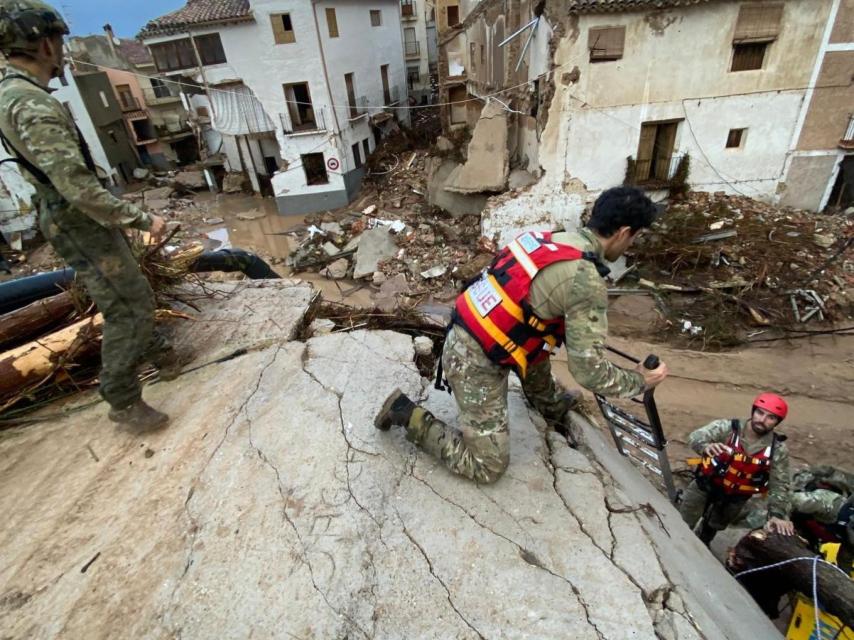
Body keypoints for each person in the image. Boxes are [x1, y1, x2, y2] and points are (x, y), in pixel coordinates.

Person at [375, 186, 668, 483]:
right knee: (487, 466)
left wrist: (551, 401)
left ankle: (547, 402)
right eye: (634, 237)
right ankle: (405, 413)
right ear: (624, 232)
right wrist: (639, 380)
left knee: (540, 331)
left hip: (472, 334)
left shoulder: (551, 240)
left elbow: (534, 325)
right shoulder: (585, 278)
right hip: (474, 361)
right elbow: (588, 371)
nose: (631, 245)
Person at [0, 0, 175, 431]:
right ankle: (122, 398)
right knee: (127, 306)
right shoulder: (31, 104)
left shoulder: (17, 93)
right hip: (77, 217)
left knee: (129, 290)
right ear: (43, 43)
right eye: (59, 40)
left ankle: (159, 352)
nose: (62, 48)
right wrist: (141, 219)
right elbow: (76, 187)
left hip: (74, 217)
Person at [679, 393, 795, 544]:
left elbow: (780, 484)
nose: (762, 420)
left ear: (776, 422)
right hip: (705, 484)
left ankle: (702, 543)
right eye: (760, 413)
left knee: (712, 527)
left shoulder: (777, 449)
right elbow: (695, 437)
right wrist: (706, 446)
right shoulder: (728, 428)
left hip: (735, 498)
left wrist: (778, 515)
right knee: (683, 522)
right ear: (753, 411)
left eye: (770, 417)